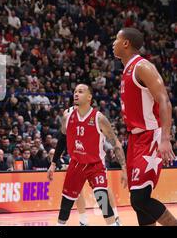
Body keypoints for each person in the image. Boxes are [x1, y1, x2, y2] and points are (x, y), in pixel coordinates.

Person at [113, 27, 177, 226]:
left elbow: (164, 100)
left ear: (126, 43)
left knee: (140, 198)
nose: (113, 43)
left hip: (150, 136)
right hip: (135, 139)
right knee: (138, 202)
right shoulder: (127, 70)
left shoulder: (142, 67)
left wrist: (165, 139)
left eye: (116, 39)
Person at [48, 84, 127, 226]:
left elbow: (115, 143)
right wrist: (53, 164)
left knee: (102, 196)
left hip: (95, 164)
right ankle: (69, 222)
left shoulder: (99, 118)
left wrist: (124, 168)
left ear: (89, 97)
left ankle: (114, 222)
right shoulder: (68, 116)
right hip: (76, 164)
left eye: (80, 91)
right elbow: (62, 140)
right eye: (75, 91)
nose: (76, 94)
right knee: (66, 201)